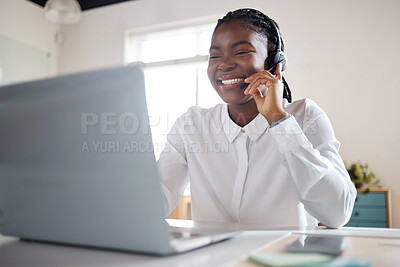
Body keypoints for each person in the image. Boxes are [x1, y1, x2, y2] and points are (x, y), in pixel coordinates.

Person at [157, 8, 356, 228]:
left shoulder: (305, 116)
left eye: (241, 52)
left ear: (275, 63)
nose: (224, 64)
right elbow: (155, 202)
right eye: (215, 56)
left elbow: (338, 213)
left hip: (283, 261)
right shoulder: (191, 125)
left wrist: (278, 120)